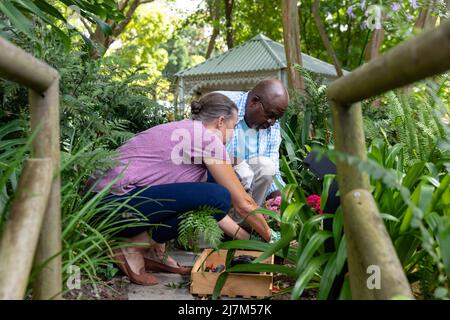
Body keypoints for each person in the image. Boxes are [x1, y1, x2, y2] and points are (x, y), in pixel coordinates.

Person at [89, 92, 273, 285]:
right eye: (234, 126)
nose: (234, 133)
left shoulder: (183, 130)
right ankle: (132, 246)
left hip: (104, 207)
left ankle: (153, 250)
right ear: (220, 122)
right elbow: (242, 203)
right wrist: (271, 238)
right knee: (219, 196)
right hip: (114, 206)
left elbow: (208, 208)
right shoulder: (207, 139)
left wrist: (247, 239)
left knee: (212, 192)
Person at [214, 79, 289, 227]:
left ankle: (242, 228)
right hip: (214, 177)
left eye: (276, 118)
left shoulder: (272, 125)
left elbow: (272, 169)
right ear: (254, 101)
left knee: (266, 165)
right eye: (270, 115)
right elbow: (202, 152)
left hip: (243, 191)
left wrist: (283, 202)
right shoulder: (221, 104)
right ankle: (215, 233)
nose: (272, 122)